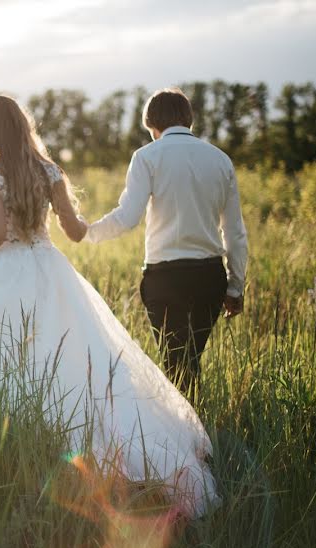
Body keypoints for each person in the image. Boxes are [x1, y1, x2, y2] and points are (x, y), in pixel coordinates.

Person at [0, 95, 220, 517]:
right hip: (50, 269)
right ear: (22, 127)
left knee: (1, 350)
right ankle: (122, 453)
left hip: (6, 270)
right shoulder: (49, 171)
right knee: (75, 359)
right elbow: (72, 230)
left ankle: (17, 435)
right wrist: (93, 224)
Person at [85, 88, 248, 398]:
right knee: (187, 362)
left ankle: (185, 437)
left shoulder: (146, 157)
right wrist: (235, 287)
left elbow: (128, 217)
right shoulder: (220, 160)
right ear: (189, 119)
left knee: (177, 365)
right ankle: (196, 429)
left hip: (164, 277)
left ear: (150, 124)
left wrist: (88, 232)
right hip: (209, 276)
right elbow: (235, 231)